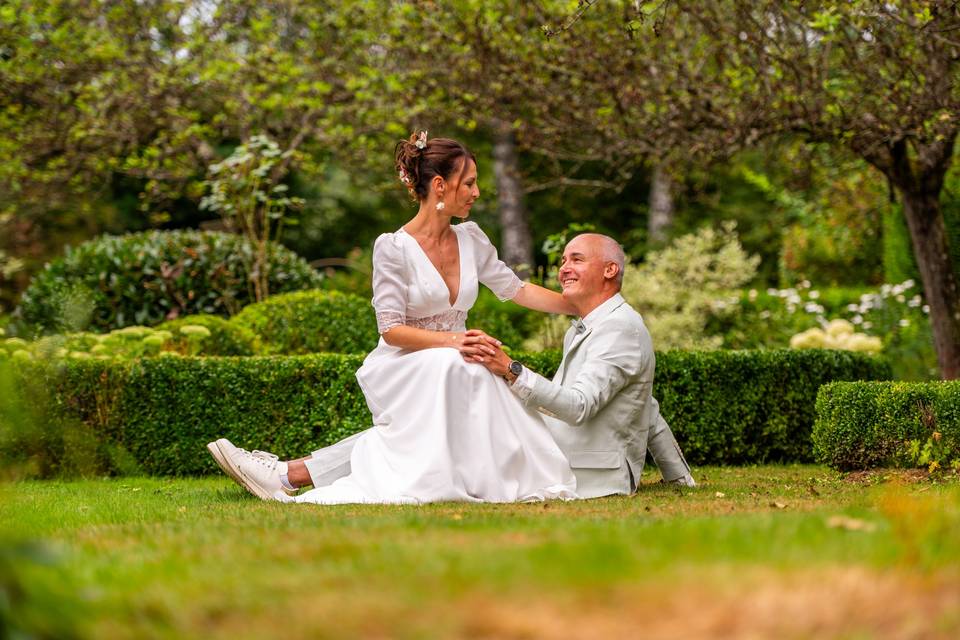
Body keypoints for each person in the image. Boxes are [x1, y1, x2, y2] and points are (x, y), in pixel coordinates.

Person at [209, 132, 695, 502]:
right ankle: (288, 474)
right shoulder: (392, 248)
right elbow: (390, 329)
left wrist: (583, 304)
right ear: (439, 186)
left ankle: (287, 474)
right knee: (461, 373)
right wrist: (455, 345)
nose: (477, 192)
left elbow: (516, 288)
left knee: (427, 422)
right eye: (470, 183)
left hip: (459, 362)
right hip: (407, 358)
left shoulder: (472, 238)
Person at [470, 232, 694, 497]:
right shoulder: (590, 326)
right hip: (556, 455)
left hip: (586, 475)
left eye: (577, 259)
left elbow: (578, 406)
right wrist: (679, 477)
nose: (564, 268)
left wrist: (512, 369)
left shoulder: (619, 327)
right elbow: (647, 407)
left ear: (610, 270)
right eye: (563, 261)